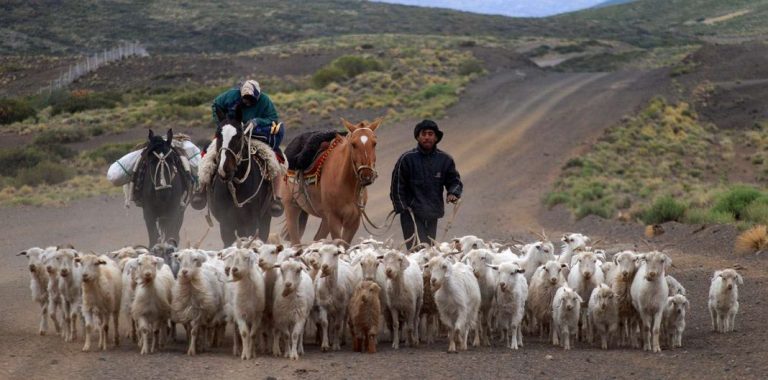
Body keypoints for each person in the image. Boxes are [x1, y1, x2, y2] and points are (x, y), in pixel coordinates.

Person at [192, 80, 285, 216]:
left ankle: (276, 198)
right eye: (245, 98)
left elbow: (273, 119)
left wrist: (257, 121)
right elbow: (215, 105)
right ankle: (201, 190)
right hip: (230, 133)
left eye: (251, 99)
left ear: (258, 95)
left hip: (254, 136)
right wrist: (223, 123)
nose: (247, 101)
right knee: (208, 155)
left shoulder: (265, 100)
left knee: (274, 159)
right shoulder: (230, 96)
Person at [390, 119, 463, 250]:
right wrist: (403, 208)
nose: (427, 137)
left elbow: (454, 181)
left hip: (432, 213)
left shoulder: (445, 160)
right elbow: (397, 186)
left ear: (436, 138)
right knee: (418, 251)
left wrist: (453, 193)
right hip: (411, 214)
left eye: (430, 134)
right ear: (418, 137)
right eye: (423, 134)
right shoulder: (406, 159)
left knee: (429, 250)